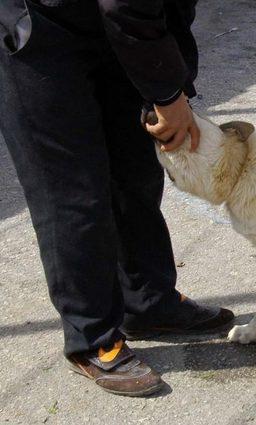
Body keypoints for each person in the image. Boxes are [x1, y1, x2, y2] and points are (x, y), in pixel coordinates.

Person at [0, 0, 234, 397]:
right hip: (34, 24)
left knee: (135, 168)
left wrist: (173, 88)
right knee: (72, 191)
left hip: (111, 21)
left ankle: (147, 302)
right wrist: (167, 93)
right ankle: (90, 336)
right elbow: (126, 5)